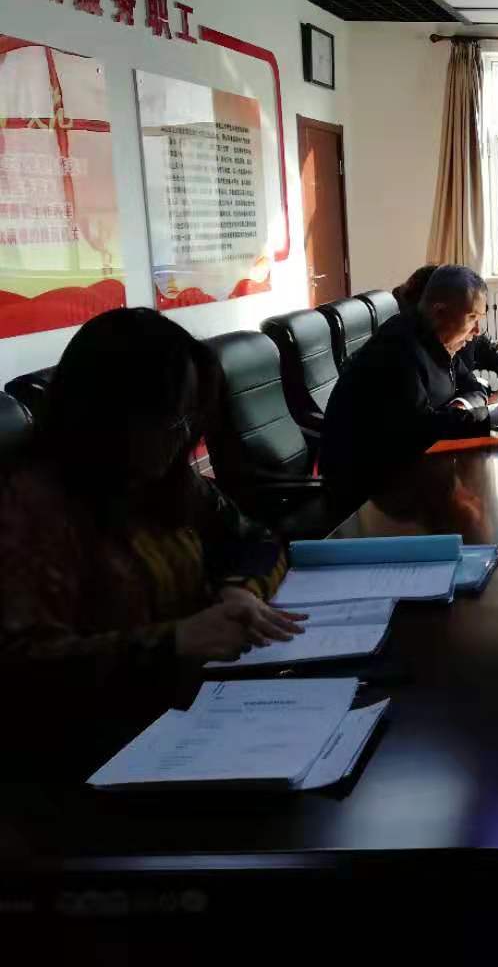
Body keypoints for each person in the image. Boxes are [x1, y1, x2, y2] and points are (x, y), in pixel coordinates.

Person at [0, 309, 301, 762]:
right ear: (109, 415)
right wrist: (172, 643)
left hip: (191, 715)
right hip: (90, 754)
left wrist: (239, 590)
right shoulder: (30, 507)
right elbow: (22, 672)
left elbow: (255, 539)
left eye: (189, 419)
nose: (183, 439)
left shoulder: (161, 481)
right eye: (171, 421)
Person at [322, 265, 498, 509]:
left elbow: (474, 387)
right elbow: (421, 428)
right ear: (440, 312)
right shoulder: (398, 350)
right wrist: (495, 415)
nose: (477, 331)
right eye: (472, 317)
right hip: (368, 488)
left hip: (410, 466)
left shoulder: (437, 339)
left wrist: (460, 407)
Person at [394, 264, 498, 392]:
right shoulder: (409, 351)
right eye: (472, 316)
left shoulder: (465, 335)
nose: (477, 330)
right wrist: (492, 406)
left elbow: (496, 359)